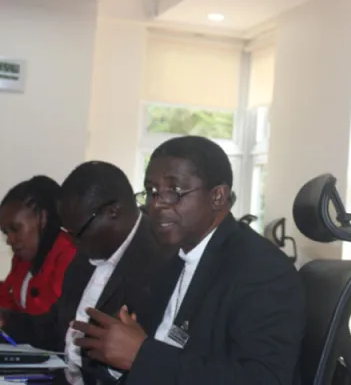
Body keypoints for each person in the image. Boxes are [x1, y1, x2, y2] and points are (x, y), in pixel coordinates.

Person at [71, 136, 306, 384]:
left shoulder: (262, 271)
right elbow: (148, 347)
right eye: (151, 192)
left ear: (217, 196)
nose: (157, 205)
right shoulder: (172, 260)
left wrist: (141, 356)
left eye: (174, 192)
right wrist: (114, 357)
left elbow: (264, 379)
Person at [0, 162, 167, 385]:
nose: (73, 242)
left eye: (77, 232)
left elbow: (154, 365)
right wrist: (6, 318)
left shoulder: (158, 264)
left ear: (113, 211)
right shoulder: (89, 248)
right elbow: (56, 327)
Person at [0, 175, 76, 315]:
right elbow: (7, 298)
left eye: (15, 229)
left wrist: (10, 320)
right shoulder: (22, 258)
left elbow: (54, 321)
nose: (10, 240)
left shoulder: (69, 256)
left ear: (43, 218)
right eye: (6, 232)